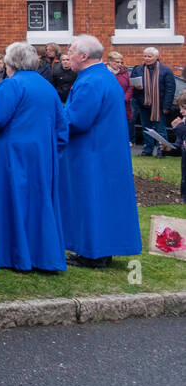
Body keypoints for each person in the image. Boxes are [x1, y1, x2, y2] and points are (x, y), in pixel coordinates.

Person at [0, 42, 68, 272]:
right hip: (42, 152)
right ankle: (43, 256)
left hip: (13, 152)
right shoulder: (47, 86)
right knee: (40, 203)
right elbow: (62, 127)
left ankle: (13, 254)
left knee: (11, 201)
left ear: (12, 63)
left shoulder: (12, 85)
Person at [61, 36, 143, 267]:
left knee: (90, 199)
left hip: (91, 152)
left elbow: (77, 120)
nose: (67, 56)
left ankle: (93, 252)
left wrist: (54, 117)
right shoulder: (103, 77)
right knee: (105, 200)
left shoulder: (90, 81)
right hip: (105, 149)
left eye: (71, 51)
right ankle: (101, 250)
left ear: (84, 56)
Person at [131, 46, 177, 156]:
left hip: (159, 106)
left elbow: (170, 89)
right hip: (143, 104)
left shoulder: (165, 70)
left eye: (149, 56)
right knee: (146, 128)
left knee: (160, 129)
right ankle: (148, 149)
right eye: (145, 56)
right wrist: (136, 88)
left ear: (156, 57)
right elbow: (131, 85)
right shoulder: (138, 69)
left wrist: (166, 106)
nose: (146, 58)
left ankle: (162, 150)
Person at [105, 51, 134, 143]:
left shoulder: (124, 73)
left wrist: (125, 98)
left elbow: (130, 87)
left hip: (123, 104)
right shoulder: (103, 72)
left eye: (120, 62)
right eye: (116, 62)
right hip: (107, 104)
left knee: (121, 125)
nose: (119, 64)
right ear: (109, 61)